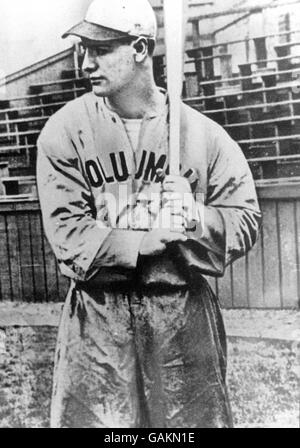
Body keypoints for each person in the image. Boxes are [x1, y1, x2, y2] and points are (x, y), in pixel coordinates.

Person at [37, 0, 261, 428]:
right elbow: (66, 235)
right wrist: (140, 243)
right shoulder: (64, 131)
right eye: (82, 50)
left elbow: (245, 220)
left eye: (100, 50)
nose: (86, 63)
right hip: (99, 317)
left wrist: (194, 216)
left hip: (180, 316)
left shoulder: (204, 135)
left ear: (140, 48)